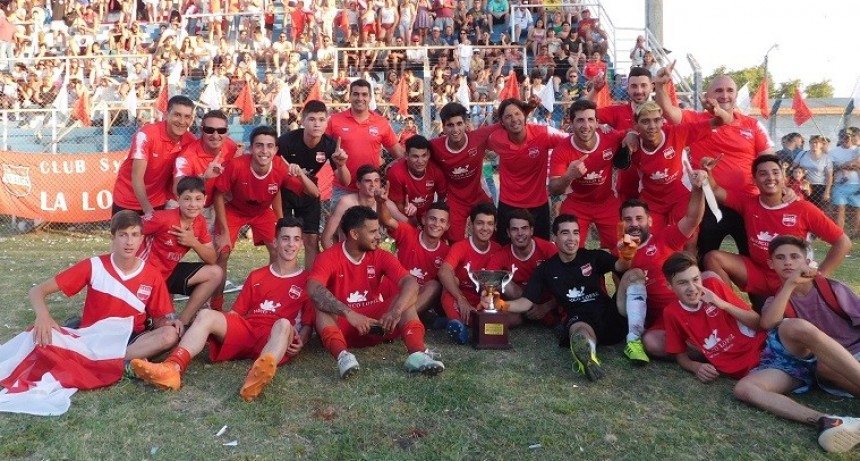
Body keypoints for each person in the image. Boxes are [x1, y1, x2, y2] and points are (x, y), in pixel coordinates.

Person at [130, 217, 315, 402]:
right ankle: (172, 368)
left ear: (301, 243)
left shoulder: (308, 281)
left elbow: (307, 325)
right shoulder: (256, 275)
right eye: (285, 238)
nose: (291, 244)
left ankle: (256, 377)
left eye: (296, 239)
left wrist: (302, 341)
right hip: (249, 331)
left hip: (277, 337)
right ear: (275, 241)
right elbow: (235, 314)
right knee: (206, 314)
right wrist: (213, 328)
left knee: (283, 324)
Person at [734, 236, 860, 454]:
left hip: (855, 355)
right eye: (780, 258)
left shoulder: (831, 289)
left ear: (806, 260)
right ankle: (828, 422)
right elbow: (768, 323)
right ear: (771, 264)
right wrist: (790, 284)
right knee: (745, 388)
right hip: (820, 368)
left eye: (794, 257)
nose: (788, 262)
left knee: (821, 360)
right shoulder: (776, 302)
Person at [309, 206, 444, 378]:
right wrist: (349, 313)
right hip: (343, 326)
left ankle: (417, 353)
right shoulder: (328, 257)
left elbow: (410, 283)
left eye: (378, 230)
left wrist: (395, 311)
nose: (379, 236)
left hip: (377, 325)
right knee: (320, 306)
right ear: (355, 234)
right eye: (373, 232)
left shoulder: (380, 255)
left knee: (404, 300)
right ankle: (344, 357)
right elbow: (313, 288)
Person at [654, 68, 774, 261]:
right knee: (706, 259)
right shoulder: (696, 120)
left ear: (736, 95)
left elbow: (769, 160)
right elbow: (669, 112)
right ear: (707, 96)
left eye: (729, 90)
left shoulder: (752, 125)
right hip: (710, 202)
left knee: (755, 258)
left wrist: (782, 189)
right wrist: (660, 86)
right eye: (718, 91)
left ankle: (760, 291)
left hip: (748, 203)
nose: (724, 95)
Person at [501, 214, 637, 381]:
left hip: (610, 313)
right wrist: (500, 304)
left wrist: (627, 255)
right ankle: (588, 356)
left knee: (633, 274)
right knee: (579, 331)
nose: (572, 238)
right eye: (565, 233)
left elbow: (620, 267)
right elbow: (525, 302)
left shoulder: (593, 256)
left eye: (575, 232)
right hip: (579, 317)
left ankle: (636, 337)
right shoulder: (546, 269)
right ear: (555, 238)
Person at [29, 211, 180, 361]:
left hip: (130, 338)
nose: (129, 242)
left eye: (134, 235)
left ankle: (106, 359)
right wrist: (43, 316)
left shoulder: (151, 274)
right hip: (93, 335)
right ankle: (119, 361)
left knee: (170, 335)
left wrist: (169, 323)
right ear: (113, 237)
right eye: (123, 235)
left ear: (142, 239)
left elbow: (159, 318)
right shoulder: (94, 265)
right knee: (37, 339)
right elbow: (37, 291)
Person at [703, 155, 851, 298]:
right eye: (763, 173)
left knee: (775, 322)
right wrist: (707, 172)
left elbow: (843, 242)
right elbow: (716, 191)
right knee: (712, 258)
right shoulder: (748, 203)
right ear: (754, 180)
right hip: (759, 273)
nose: (770, 177)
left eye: (775, 172)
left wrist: (821, 274)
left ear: (784, 177)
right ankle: (732, 313)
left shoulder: (803, 208)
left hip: (790, 278)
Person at [211, 125, 319, 311]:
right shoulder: (237, 165)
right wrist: (224, 232)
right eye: (259, 146)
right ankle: (216, 305)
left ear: (276, 150)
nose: (264, 151)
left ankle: (272, 296)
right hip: (234, 210)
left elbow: (314, 193)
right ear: (251, 148)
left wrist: (300, 173)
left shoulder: (279, 166)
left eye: (269, 146)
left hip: (261, 212)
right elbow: (218, 194)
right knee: (223, 251)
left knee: (278, 250)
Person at [615, 164, 710, 361]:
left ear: (649, 221)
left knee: (710, 277)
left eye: (639, 218)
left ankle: (709, 349)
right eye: (628, 219)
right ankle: (634, 340)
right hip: (657, 316)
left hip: (688, 303)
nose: (633, 224)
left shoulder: (665, 237)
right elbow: (620, 279)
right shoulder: (623, 247)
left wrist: (697, 189)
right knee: (651, 342)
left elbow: (692, 218)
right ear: (622, 223)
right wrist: (626, 257)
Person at [661, 252, 766, 382]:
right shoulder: (672, 312)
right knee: (747, 390)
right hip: (742, 370)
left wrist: (723, 304)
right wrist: (696, 367)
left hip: (764, 349)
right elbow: (679, 354)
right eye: (683, 283)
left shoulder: (712, 285)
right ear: (669, 286)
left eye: (695, 279)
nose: (692, 288)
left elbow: (758, 323)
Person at [630, 100, 729, 230]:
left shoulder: (677, 133)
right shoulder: (632, 145)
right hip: (652, 201)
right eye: (645, 121)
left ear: (662, 121)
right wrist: (629, 135)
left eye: (656, 120)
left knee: (688, 240)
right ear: (636, 125)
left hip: (681, 194)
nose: (652, 126)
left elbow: (721, 121)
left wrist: (717, 111)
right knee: (650, 243)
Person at [139, 176, 222, 326]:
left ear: (205, 200)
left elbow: (212, 259)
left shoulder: (200, 222)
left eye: (198, 199)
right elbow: (130, 228)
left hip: (168, 274)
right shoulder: (162, 218)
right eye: (187, 199)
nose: (193, 204)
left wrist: (193, 242)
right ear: (178, 199)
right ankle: (151, 316)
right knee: (164, 329)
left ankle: (183, 322)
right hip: (147, 278)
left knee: (215, 272)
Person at [277, 100, 350, 268]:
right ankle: (285, 278)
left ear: (327, 122)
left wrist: (341, 164)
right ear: (302, 120)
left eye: (321, 119)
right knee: (285, 238)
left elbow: (345, 181)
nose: (317, 124)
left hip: (309, 189)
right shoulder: (286, 141)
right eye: (311, 119)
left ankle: (311, 283)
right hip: (285, 190)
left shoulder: (330, 145)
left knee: (311, 239)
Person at [549, 99, 628, 250]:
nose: (586, 126)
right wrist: (569, 175)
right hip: (577, 203)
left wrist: (630, 136)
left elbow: (629, 132)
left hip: (606, 202)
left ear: (597, 122)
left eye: (590, 120)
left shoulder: (610, 138)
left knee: (622, 249)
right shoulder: (562, 150)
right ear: (571, 123)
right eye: (580, 120)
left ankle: (613, 274)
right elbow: (553, 188)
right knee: (570, 250)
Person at [487, 98, 568, 243]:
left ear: (524, 116)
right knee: (506, 251)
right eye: (508, 116)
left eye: (517, 114)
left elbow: (570, 141)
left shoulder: (544, 133)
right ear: (502, 122)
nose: (514, 119)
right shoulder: (496, 139)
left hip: (538, 204)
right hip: (509, 204)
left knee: (541, 250)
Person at [324, 79, 404, 211]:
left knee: (370, 229)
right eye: (355, 94)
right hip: (343, 189)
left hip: (370, 190)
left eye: (364, 94)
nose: (360, 98)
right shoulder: (334, 120)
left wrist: (390, 170)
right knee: (340, 230)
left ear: (370, 97)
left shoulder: (381, 122)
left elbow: (399, 154)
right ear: (349, 96)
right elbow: (320, 148)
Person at [113, 95, 197, 215]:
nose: (182, 121)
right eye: (177, 115)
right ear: (166, 115)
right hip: (127, 200)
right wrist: (148, 210)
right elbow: (137, 178)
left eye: (187, 117)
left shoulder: (190, 141)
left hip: (158, 201)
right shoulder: (146, 134)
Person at [429, 102, 498, 242]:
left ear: (466, 123)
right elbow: (415, 155)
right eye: (450, 125)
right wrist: (393, 166)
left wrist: (528, 109)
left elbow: (506, 123)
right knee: (455, 240)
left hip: (480, 194)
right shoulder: (435, 146)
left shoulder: (479, 137)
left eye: (459, 123)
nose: (455, 129)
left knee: (493, 233)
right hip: (455, 199)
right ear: (443, 127)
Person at [377, 192, 451, 318]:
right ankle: (396, 317)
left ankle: (400, 318)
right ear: (424, 219)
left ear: (447, 226)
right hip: (394, 289)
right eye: (433, 219)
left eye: (442, 221)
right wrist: (381, 202)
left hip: (417, 299)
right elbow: (387, 221)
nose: (437, 224)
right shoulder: (408, 233)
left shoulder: (447, 252)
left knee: (434, 286)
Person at [437, 202, 501, 344]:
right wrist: (461, 298)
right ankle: (457, 324)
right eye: (480, 223)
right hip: (459, 299)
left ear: (495, 226)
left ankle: (455, 321)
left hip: (483, 300)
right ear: (471, 224)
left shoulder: (498, 250)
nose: (485, 228)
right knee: (450, 282)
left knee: (510, 317)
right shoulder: (460, 246)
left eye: (490, 224)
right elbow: (443, 271)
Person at [486, 208, 558, 326]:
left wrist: (545, 307)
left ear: (531, 230)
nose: (520, 233)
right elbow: (489, 278)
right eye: (514, 229)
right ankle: (528, 315)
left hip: (546, 301)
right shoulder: (502, 254)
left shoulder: (548, 249)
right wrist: (492, 299)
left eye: (524, 228)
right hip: (519, 303)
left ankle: (546, 316)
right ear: (508, 233)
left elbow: (566, 281)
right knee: (502, 282)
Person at [173, 109, 240, 226]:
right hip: (184, 206)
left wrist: (241, 159)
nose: (215, 136)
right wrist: (204, 178)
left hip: (212, 204)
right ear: (201, 130)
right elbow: (177, 190)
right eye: (209, 130)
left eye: (221, 130)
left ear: (227, 132)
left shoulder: (231, 147)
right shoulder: (186, 156)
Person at [321, 165, 407, 249]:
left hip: (372, 254)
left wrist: (412, 214)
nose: (373, 184)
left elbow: (408, 225)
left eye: (376, 181)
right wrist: (334, 259)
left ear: (381, 183)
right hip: (348, 254)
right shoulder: (346, 203)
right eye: (368, 181)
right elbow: (326, 238)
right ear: (358, 184)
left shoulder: (385, 203)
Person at [386, 135, 448, 226]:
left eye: (424, 155)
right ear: (406, 156)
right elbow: (398, 204)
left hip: (428, 213)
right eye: (415, 156)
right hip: (406, 213)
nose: (420, 161)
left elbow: (442, 198)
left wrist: (434, 216)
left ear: (429, 155)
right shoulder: (396, 173)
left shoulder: (436, 170)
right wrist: (411, 219)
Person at [828, 127, 860, 234]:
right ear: (840, 138)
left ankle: (855, 232)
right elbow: (831, 169)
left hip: (856, 184)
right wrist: (844, 166)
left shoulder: (857, 150)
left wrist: (849, 166)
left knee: (857, 208)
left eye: (849, 136)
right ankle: (839, 232)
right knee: (840, 208)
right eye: (844, 136)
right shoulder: (833, 152)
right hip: (839, 184)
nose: (846, 139)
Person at [791, 135, 832, 208]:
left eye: (816, 142)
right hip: (802, 184)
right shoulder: (802, 154)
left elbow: (829, 176)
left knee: (816, 208)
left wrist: (827, 191)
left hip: (818, 186)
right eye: (811, 142)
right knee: (802, 207)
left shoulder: (826, 158)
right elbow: (793, 167)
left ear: (822, 144)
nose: (813, 144)